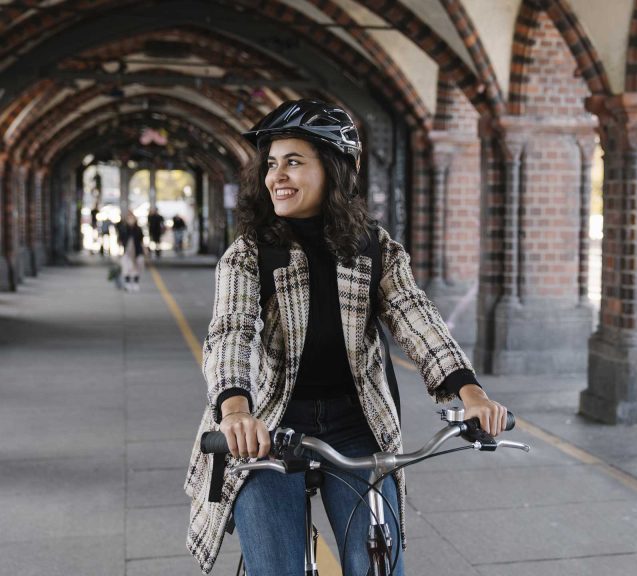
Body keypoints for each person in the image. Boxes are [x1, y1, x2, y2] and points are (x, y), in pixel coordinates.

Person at [183, 99, 507, 576]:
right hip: (267, 426)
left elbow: (414, 314)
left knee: (377, 566)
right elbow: (232, 330)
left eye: (294, 162)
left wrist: (471, 393)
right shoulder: (249, 254)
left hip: (356, 423)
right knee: (276, 569)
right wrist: (235, 411)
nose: (277, 176)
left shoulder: (373, 248)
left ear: (335, 171)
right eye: (272, 164)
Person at [117, 211, 145, 292]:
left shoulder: (138, 229)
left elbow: (141, 240)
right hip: (127, 252)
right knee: (127, 268)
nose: (131, 220)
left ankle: (136, 283)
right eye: (129, 218)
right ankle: (128, 283)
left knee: (137, 267)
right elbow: (120, 240)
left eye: (132, 218)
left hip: (137, 251)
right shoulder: (124, 229)